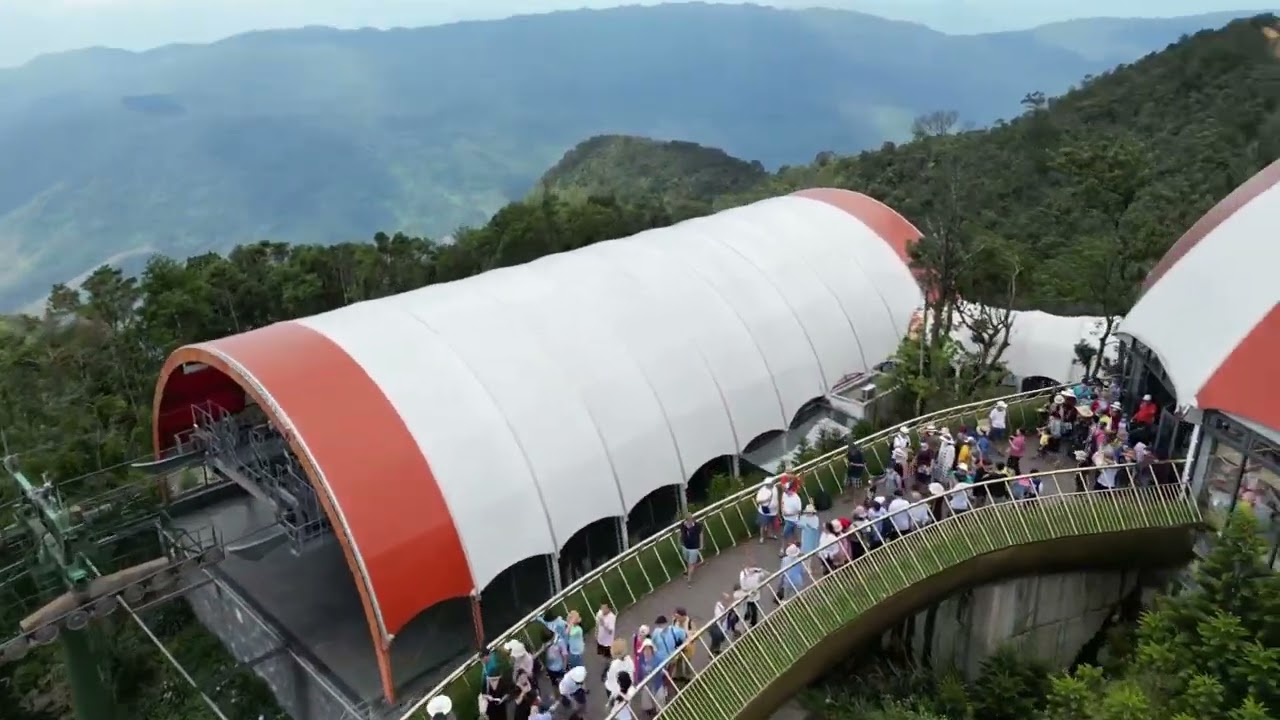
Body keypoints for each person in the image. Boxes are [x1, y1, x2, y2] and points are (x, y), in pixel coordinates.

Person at [678, 514, 702, 582]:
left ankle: (689, 578)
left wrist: (701, 544)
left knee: (690, 564)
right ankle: (692, 567)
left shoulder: (697, 526)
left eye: (691, 520)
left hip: (694, 548)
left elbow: (701, 534)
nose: (690, 521)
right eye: (689, 520)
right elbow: (680, 533)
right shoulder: (683, 525)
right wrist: (679, 542)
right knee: (687, 560)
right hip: (685, 547)